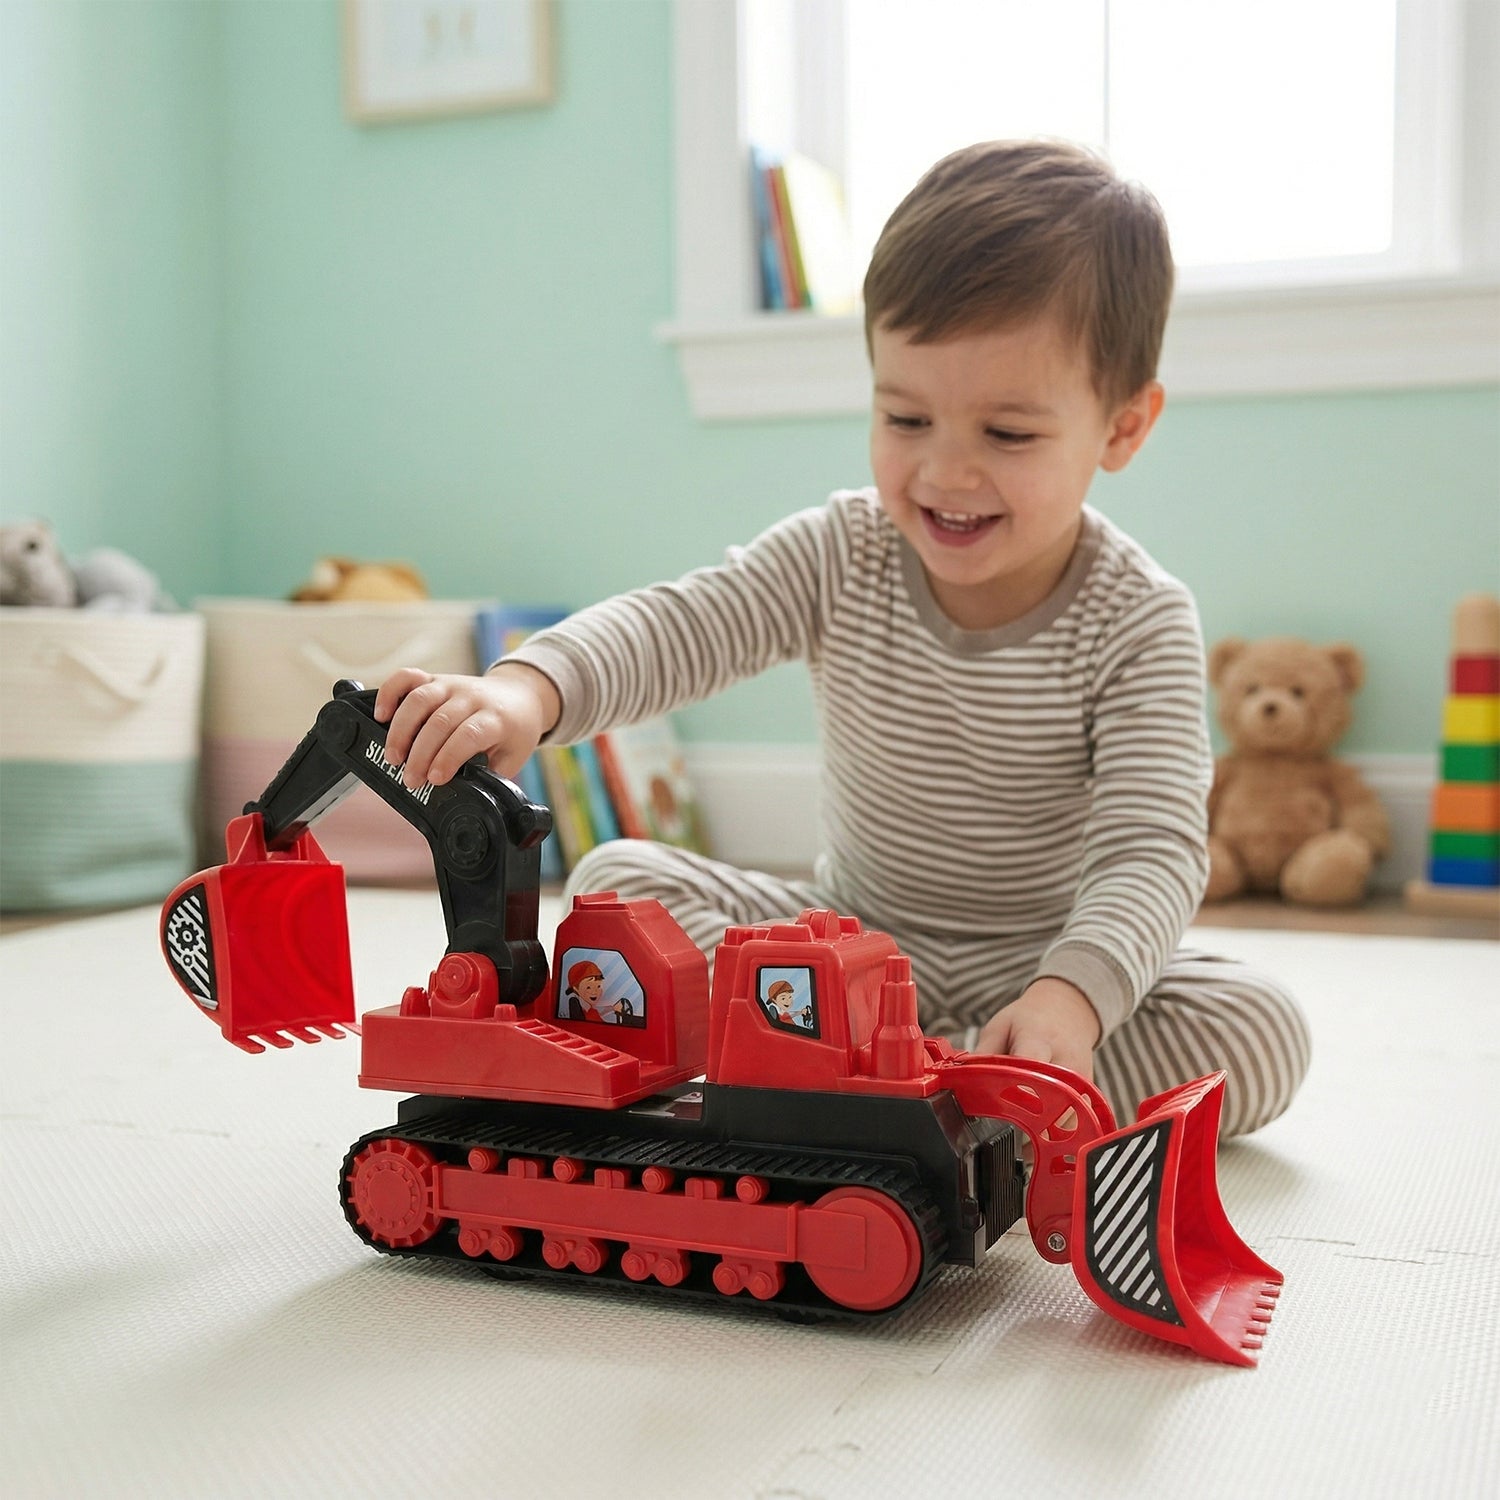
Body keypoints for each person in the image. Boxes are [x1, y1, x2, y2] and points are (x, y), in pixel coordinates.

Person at [374, 140, 1310, 1138]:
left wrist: (1073, 1002)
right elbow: (680, 625)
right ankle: (935, 1083)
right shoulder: (841, 553)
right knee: (616, 883)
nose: (947, 474)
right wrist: (529, 691)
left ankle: (937, 1070)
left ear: (1122, 430)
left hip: (1041, 964)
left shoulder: (1139, 619)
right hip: (844, 951)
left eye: (1007, 436)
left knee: (1260, 1032)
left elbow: (1151, 849)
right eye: (906, 418)